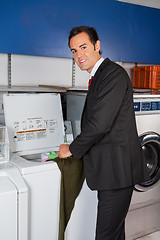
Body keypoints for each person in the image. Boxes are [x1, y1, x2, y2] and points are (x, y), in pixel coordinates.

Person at [58, 26, 149, 240]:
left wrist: (72, 148)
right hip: (111, 170)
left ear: (97, 45)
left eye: (83, 47)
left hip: (117, 172)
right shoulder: (99, 75)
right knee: (114, 233)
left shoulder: (112, 75)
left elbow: (100, 124)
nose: (79, 55)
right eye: (73, 51)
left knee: (106, 235)